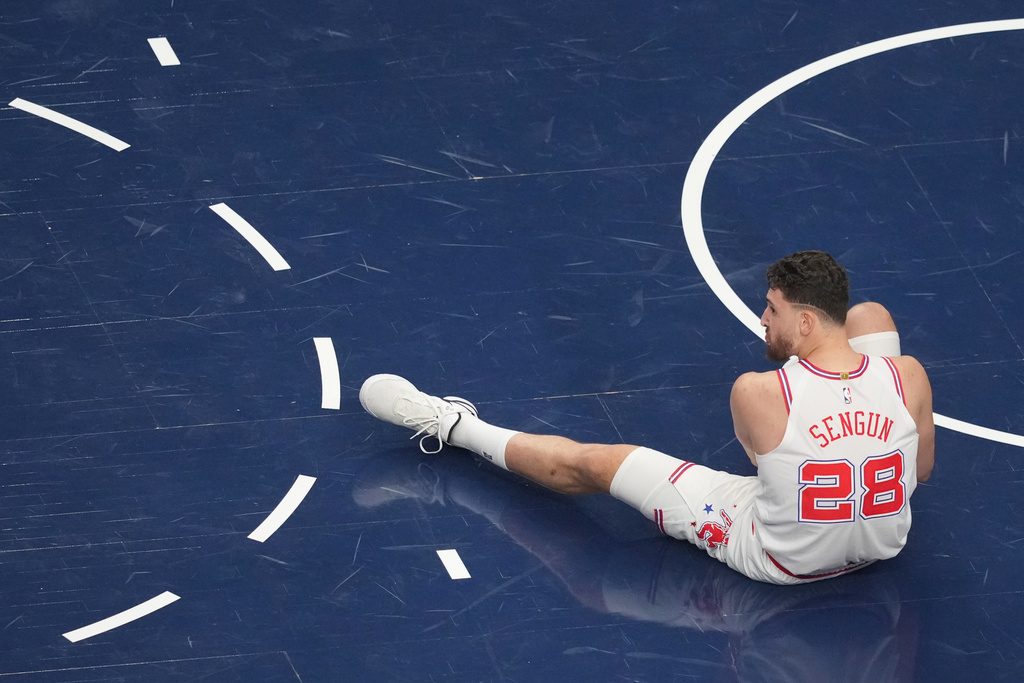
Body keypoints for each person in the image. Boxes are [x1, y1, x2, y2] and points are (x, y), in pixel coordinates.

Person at [359, 250, 935, 584]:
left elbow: (763, 466)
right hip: (882, 543)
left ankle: (453, 426)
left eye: (772, 309)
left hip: (782, 558)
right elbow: (920, 472)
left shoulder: (757, 391)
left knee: (594, 464)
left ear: (805, 322)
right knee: (872, 314)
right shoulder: (908, 375)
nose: (762, 319)